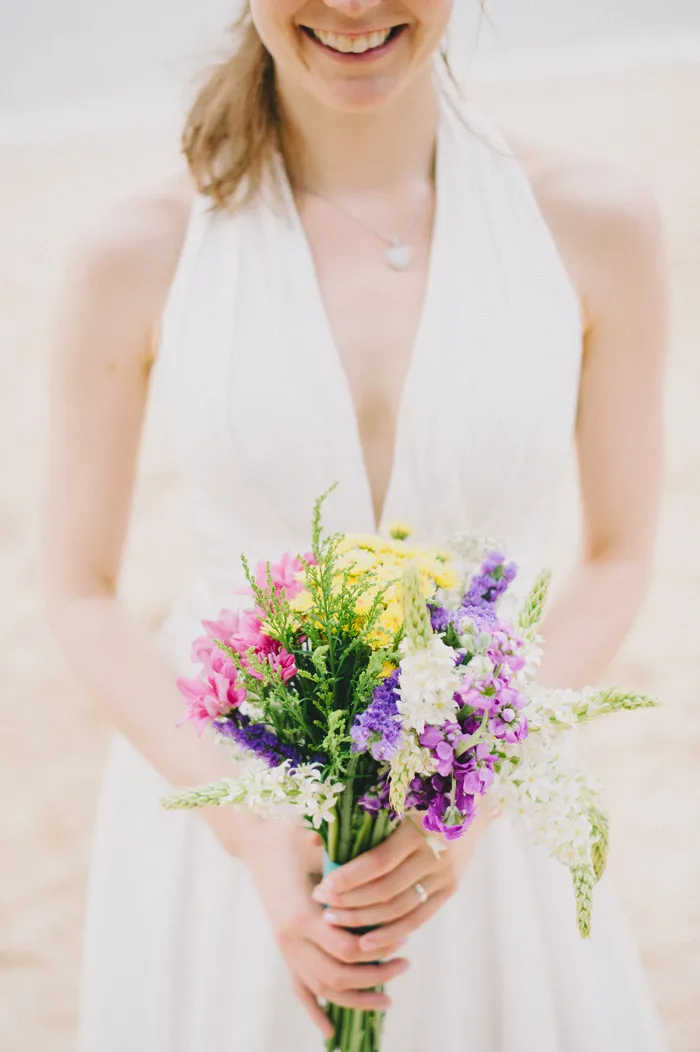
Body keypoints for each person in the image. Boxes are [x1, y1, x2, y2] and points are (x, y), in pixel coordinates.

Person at [45, 2, 670, 1049]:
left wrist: (472, 786)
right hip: (225, 828)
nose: (352, 5)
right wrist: (249, 828)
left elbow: (618, 554)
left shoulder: (599, 223)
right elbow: (75, 585)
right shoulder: (135, 249)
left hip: (486, 820)